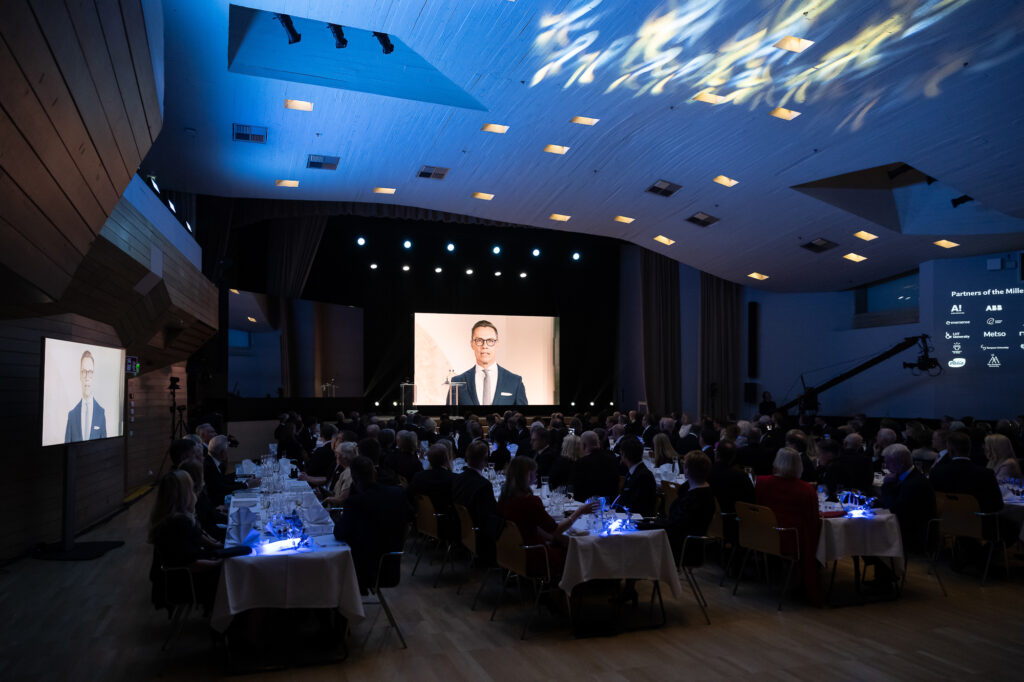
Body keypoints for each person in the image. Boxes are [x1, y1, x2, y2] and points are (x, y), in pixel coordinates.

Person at [497, 456, 595, 576]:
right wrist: (579, 512)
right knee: (579, 550)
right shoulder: (530, 501)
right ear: (526, 475)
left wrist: (555, 539)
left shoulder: (504, 499)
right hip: (536, 557)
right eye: (534, 472)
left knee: (565, 542)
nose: (537, 474)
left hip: (514, 554)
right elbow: (556, 529)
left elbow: (532, 527)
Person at [754, 448, 822, 606]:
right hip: (793, 540)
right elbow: (813, 521)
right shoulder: (806, 490)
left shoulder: (762, 483)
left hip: (763, 536)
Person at [147, 470, 223, 611]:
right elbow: (193, 564)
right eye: (191, 487)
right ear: (185, 493)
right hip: (188, 584)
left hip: (182, 580)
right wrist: (221, 564)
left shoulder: (172, 518)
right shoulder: (178, 524)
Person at [333, 456, 411, 590]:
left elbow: (339, 533)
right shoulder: (397, 493)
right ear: (374, 473)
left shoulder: (355, 502)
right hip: (390, 563)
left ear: (354, 478)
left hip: (362, 567)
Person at [447, 320, 527, 406]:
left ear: (497, 344)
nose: (484, 346)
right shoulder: (457, 382)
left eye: (490, 341)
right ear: (472, 344)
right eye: (479, 340)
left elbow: (522, 418)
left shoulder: (515, 381)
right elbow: (451, 417)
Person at [879, 444, 935, 554]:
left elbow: (893, 509)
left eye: (888, 462)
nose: (886, 466)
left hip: (912, 534)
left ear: (900, 463)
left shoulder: (914, 483)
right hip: (905, 526)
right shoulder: (907, 477)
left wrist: (887, 486)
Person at [664, 451, 717, 564]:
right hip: (680, 542)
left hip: (682, 547)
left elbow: (677, 525)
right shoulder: (697, 490)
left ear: (687, 470)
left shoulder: (697, 497)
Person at [453, 440, 501, 563]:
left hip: (460, 529)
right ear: (486, 460)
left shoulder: (458, 478)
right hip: (478, 534)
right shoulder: (484, 485)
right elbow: (490, 515)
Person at [64, 350, 106, 442]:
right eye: (84, 371)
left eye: (90, 372)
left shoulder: (101, 413)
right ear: (80, 375)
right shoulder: (72, 416)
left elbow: (104, 447)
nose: (87, 377)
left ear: (93, 375)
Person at [571, 430, 620, 502]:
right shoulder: (613, 459)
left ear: (583, 445)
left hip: (587, 506)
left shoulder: (581, 463)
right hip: (610, 504)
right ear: (598, 444)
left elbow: (578, 491)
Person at [617, 436, 657, 517]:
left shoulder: (643, 476)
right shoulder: (634, 472)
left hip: (636, 522)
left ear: (623, 455)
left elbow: (636, 507)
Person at [322, 441, 357, 507]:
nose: (335, 455)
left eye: (337, 453)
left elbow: (342, 499)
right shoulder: (346, 470)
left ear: (344, 457)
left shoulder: (349, 473)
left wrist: (328, 499)